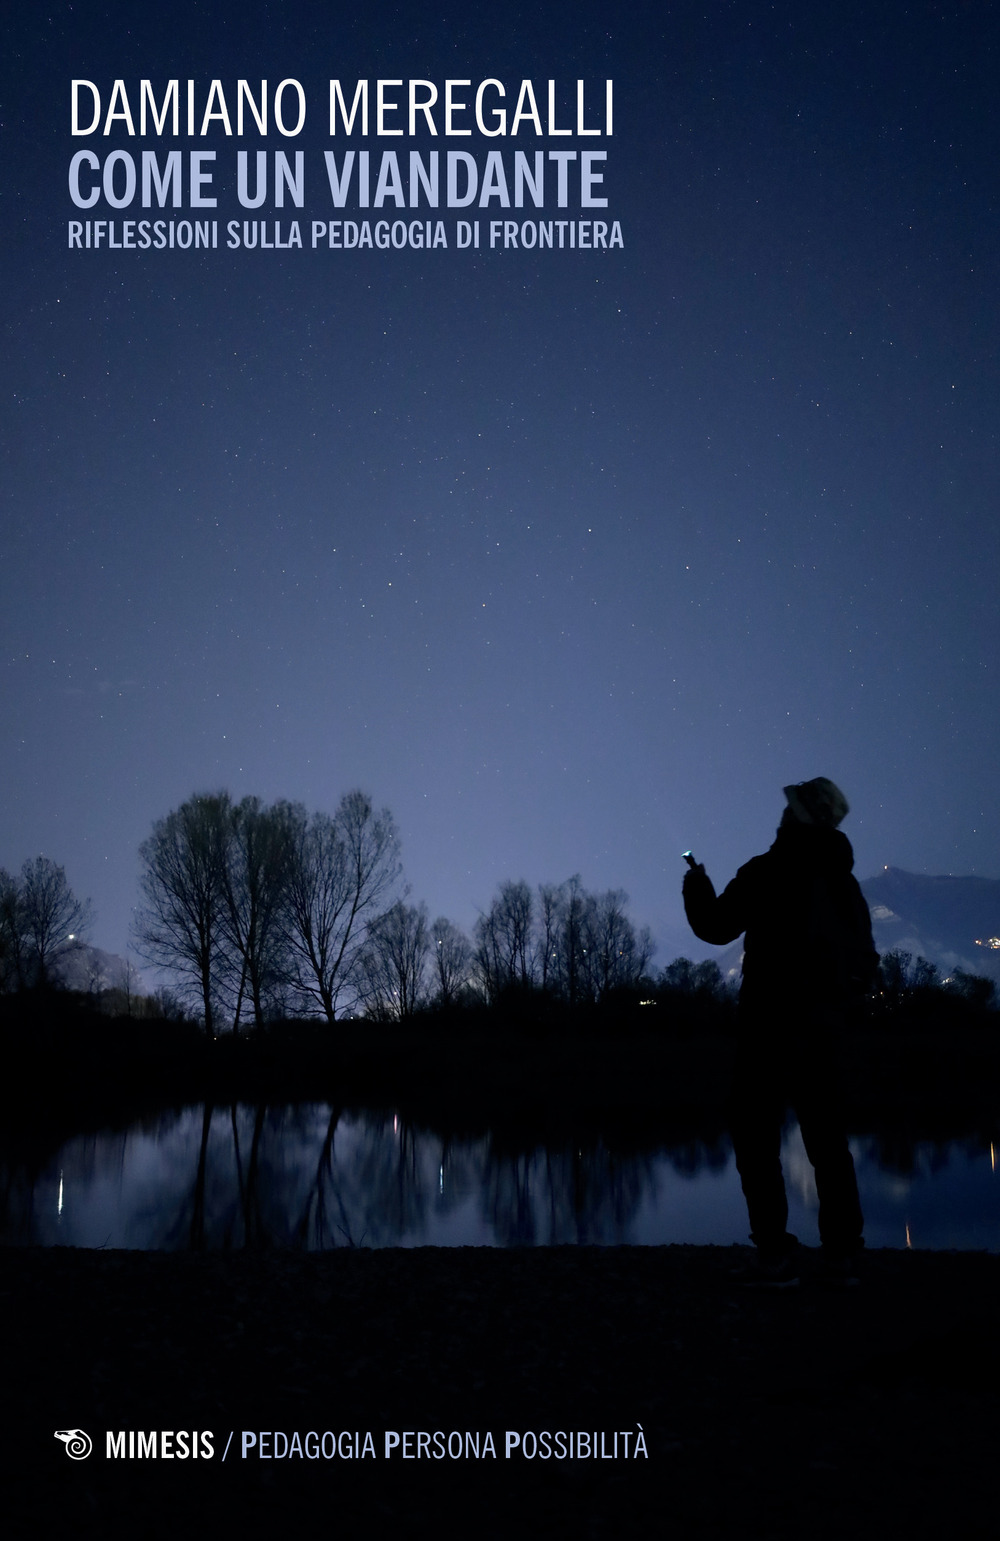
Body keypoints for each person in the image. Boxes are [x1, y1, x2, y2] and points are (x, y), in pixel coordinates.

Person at [682, 778, 879, 1286]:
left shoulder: (767, 871)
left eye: (789, 809)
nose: (782, 814)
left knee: (755, 1139)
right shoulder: (846, 886)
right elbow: (866, 964)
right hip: (825, 1034)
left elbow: (715, 927)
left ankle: (773, 1257)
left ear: (799, 818)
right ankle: (842, 1257)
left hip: (767, 1028)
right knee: (829, 1145)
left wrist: (696, 886)